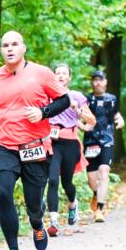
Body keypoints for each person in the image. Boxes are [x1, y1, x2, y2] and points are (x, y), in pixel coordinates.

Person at [0, 31, 70, 250]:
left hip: (34, 146)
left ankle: (37, 223)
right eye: (5, 45)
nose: (10, 49)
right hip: (3, 145)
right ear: (1, 50)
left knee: (33, 203)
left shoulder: (41, 73)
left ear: (24, 48)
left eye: (15, 44)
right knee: (4, 192)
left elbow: (64, 100)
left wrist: (43, 113)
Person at [45, 64, 96, 236]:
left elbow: (92, 121)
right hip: (51, 143)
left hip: (70, 143)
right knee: (52, 180)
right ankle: (53, 222)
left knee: (66, 182)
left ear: (69, 78)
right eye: (57, 73)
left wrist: (78, 110)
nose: (60, 76)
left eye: (64, 73)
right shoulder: (47, 96)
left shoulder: (76, 96)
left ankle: (73, 203)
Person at [82, 70, 124, 222]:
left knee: (104, 171)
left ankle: (99, 209)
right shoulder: (87, 99)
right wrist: (82, 126)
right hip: (90, 141)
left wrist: (120, 120)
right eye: (94, 80)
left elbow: (116, 114)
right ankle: (96, 194)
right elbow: (78, 115)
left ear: (105, 82)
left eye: (100, 80)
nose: (97, 83)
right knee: (92, 179)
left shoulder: (112, 99)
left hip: (107, 139)